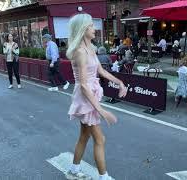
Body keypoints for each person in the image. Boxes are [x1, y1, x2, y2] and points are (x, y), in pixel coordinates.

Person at [66, 13, 127, 180]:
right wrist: (102, 111)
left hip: (90, 94)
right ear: (83, 29)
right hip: (85, 97)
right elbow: (84, 85)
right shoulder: (80, 52)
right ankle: (103, 177)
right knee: (100, 139)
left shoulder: (91, 48)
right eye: (91, 25)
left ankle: (74, 168)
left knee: (84, 136)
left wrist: (120, 82)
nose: (95, 28)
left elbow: (101, 71)